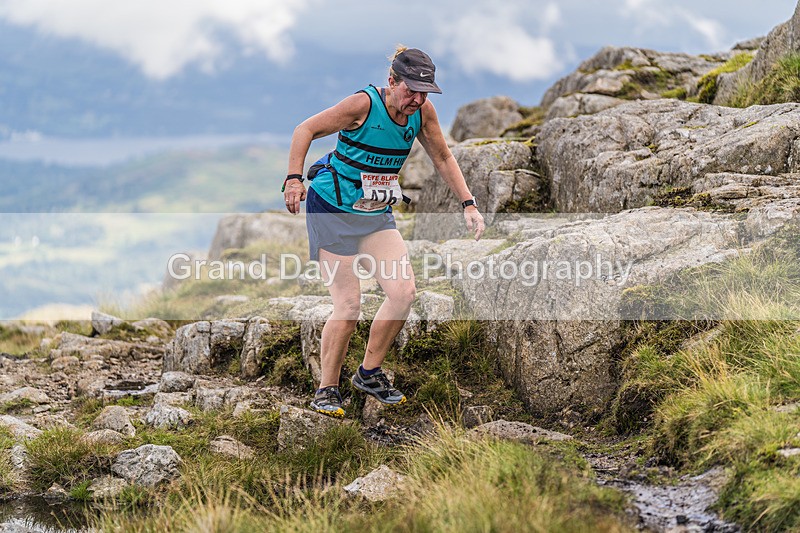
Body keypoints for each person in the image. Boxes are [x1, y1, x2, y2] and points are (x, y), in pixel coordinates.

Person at [283, 46, 484, 418]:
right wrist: (294, 179)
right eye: (411, 90)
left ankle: (369, 373)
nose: (417, 99)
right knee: (348, 306)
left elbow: (443, 156)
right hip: (331, 211)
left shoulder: (422, 112)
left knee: (403, 293)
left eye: (425, 92)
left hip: (374, 213)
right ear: (392, 81)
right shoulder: (362, 105)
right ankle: (326, 390)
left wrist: (468, 203)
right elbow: (304, 129)